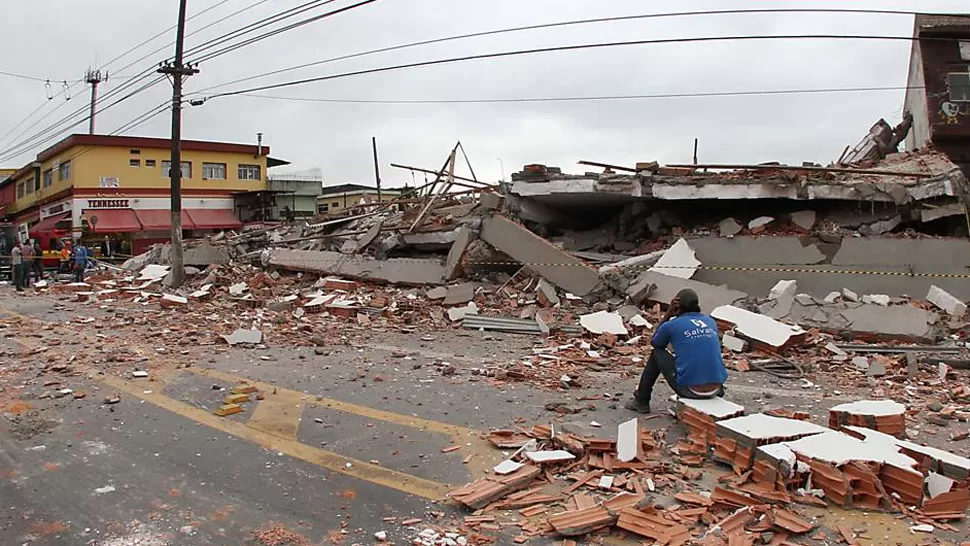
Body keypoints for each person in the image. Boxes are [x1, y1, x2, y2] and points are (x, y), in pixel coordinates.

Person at [625, 288, 728, 413]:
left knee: (657, 353)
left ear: (677, 307)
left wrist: (668, 314)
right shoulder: (710, 322)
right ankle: (712, 386)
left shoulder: (672, 325)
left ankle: (641, 400)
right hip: (716, 389)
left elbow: (656, 343)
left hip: (690, 390)